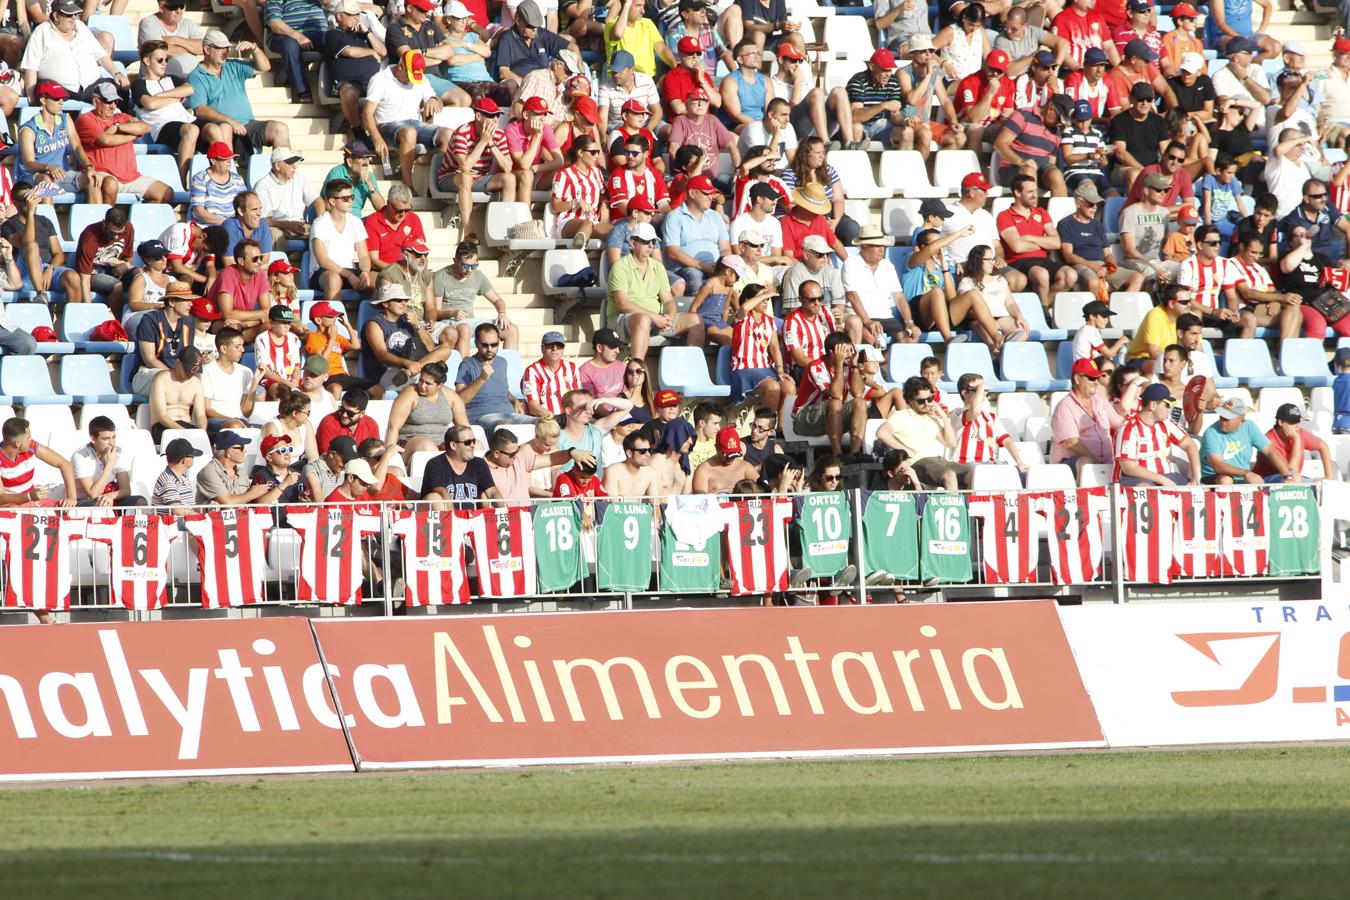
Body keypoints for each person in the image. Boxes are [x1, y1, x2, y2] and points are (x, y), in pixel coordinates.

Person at [187, 30, 289, 158]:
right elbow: (201, 109)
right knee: (225, 128)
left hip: (247, 124)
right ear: (207, 49)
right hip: (219, 126)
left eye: (226, 48)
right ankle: (231, 175)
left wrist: (255, 49)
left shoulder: (233, 65)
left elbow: (264, 67)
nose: (225, 52)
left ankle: (284, 172)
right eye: (220, 48)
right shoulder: (196, 76)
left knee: (280, 128)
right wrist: (231, 121)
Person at [75, 82, 175, 205]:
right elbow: (106, 140)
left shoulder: (121, 117)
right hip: (104, 174)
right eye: (108, 101)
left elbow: (146, 127)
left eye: (115, 101)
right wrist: (131, 135)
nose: (112, 106)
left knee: (166, 193)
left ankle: (133, 221)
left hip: (131, 177)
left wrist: (117, 127)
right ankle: (107, 222)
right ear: (96, 101)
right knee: (110, 183)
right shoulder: (85, 119)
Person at [438, 96, 516, 240]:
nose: (495, 120)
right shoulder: (462, 132)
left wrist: (491, 143)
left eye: (497, 116)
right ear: (479, 116)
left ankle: (504, 229)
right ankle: (468, 229)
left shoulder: (498, 135)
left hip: (478, 178)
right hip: (451, 176)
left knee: (510, 179)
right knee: (466, 177)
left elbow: (508, 168)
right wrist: (483, 141)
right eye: (491, 116)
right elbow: (465, 167)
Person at [998, 174, 1078, 312]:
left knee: (1070, 275)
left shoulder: (1041, 212)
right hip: (1018, 262)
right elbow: (1016, 247)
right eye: (1030, 192)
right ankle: (1044, 313)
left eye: (1035, 191)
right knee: (1041, 274)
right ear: (1017, 193)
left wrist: (1028, 237)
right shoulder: (1005, 215)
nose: (1035, 195)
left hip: (1042, 259)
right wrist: (1043, 242)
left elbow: (1057, 243)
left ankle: (1043, 308)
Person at [20, 0, 127, 101]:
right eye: (69, 15)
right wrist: (31, 96)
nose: (73, 18)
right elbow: (31, 67)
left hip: (90, 85)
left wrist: (116, 73)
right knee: (47, 91)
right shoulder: (41, 32)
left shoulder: (81, 27)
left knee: (121, 88)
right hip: (59, 88)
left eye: (75, 14)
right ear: (56, 16)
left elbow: (100, 55)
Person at [130, 41, 203, 185]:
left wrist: (160, 96)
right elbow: (150, 104)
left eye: (166, 60)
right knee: (192, 130)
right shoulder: (139, 84)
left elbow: (189, 89)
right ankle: (181, 181)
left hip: (186, 120)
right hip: (163, 127)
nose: (164, 63)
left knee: (219, 128)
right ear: (147, 61)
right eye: (160, 60)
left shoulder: (171, 79)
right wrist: (175, 97)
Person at [876, 376, 967, 490]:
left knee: (972, 474)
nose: (926, 403)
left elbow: (951, 443)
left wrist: (943, 417)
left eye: (929, 399)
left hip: (939, 461)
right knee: (949, 475)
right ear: (910, 400)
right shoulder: (902, 416)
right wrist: (906, 449)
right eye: (921, 401)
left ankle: (973, 506)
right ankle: (954, 507)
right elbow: (881, 433)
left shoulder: (930, 419)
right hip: (918, 462)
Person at [432, 240, 517, 356]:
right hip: (450, 322)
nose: (469, 270)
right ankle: (465, 370)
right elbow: (435, 313)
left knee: (511, 329)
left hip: (471, 321)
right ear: (455, 261)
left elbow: (498, 300)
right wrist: (452, 313)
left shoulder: (477, 275)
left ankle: (507, 371)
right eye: (465, 265)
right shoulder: (441, 276)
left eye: (474, 265)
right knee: (465, 329)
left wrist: (502, 313)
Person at [362, 281, 453, 388]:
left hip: (412, 372)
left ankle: (408, 373)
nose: (404, 303)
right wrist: (408, 364)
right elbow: (382, 355)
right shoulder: (374, 324)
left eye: (405, 300)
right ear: (385, 304)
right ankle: (410, 374)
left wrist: (417, 325)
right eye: (399, 300)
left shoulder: (408, 322)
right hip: (386, 374)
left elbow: (430, 348)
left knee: (445, 350)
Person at [843, 225, 921, 348]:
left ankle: (882, 363)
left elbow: (899, 297)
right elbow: (852, 296)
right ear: (863, 246)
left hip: (886, 317)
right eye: (877, 245)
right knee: (871, 340)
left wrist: (909, 322)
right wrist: (867, 321)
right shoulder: (851, 263)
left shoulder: (887, 265)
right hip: (861, 318)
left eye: (883, 245)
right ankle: (875, 364)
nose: (882, 249)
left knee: (911, 339)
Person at [1059, 180, 1143, 293]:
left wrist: (1109, 264)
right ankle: (1094, 310)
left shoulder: (1097, 225)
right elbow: (1068, 255)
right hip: (1080, 265)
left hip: (1101, 265)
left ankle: (1119, 307)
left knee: (1137, 277)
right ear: (1078, 203)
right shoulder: (1065, 224)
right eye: (1090, 204)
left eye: (1096, 204)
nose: (1094, 208)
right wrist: (1093, 266)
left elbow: (1107, 253)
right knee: (1093, 282)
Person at [20, 81, 99, 201]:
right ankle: (48, 219)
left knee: (92, 179)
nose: (62, 102)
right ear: (43, 100)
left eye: (62, 98)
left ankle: (98, 219)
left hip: (62, 174)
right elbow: (28, 164)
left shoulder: (65, 119)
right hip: (35, 176)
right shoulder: (29, 129)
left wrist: (88, 167)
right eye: (57, 99)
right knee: (46, 184)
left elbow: (77, 146)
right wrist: (48, 167)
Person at [792, 331, 866, 458]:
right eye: (845, 351)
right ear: (832, 353)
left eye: (850, 350)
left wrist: (854, 366)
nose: (850, 354)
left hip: (833, 415)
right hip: (805, 418)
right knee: (835, 403)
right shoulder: (815, 366)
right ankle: (837, 454)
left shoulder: (848, 366)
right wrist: (838, 364)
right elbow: (836, 395)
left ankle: (856, 453)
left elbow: (858, 393)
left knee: (860, 403)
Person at [2, 181, 79, 302]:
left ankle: (74, 319)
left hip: (47, 268)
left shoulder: (45, 221)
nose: (31, 201)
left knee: (72, 277)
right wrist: (31, 214)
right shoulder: (8, 225)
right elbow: (26, 242)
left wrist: (50, 269)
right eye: (26, 198)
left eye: (33, 196)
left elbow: (58, 254)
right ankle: (40, 294)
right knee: (32, 246)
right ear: (15, 203)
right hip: (24, 271)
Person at [1114, 382, 1201, 486]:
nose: (1169, 409)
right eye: (1167, 405)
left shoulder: (1166, 423)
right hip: (1135, 479)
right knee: (1147, 489)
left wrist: (1196, 477)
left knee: (1202, 490)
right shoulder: (1129, 427)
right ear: (1153, 405)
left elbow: (1190, 445)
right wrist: (1162, 480)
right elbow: (1128, 468)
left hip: (1166, 476)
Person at [456, 322, 536, 432]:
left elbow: (502, 389)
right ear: (476, 343)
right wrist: (482, 379)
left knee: (544, 424)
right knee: (504, 427)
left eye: (494, 345)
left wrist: (514, 400)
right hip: (482, 415)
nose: (489, 349)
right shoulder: (467, 365)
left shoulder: (502, 362)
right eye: (484, 345)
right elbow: (459, 400)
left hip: (509, 414)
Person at [1198, 396, 1296, 485]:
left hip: (1242, 477)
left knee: (1295, 477)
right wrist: (1246, 473)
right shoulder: (1211, 433)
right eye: (1221, 416)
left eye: (1227, 418)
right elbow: (1217, 465)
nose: (1222, 421)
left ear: (1241, 420)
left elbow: (1270, 451)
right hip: (1215, 477)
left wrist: (1288, 476)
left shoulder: (1249, 426)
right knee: (1226, 480)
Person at [385, 362, 470, 464]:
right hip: (412, 443)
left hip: (443, 444)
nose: (422, 385)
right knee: (427, 446)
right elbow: (393, 427)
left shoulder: (450, 396)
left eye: (428, 383)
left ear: (439, 385)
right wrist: (388, 459)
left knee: (474, 445)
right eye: (421, 380)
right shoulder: (410, 393)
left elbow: (464, 427)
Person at [728, 283, 793, 414]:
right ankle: (766, 426)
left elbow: (774, 347)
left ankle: (781, 429)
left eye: (767, 299)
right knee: (772, 387)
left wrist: (780, 370)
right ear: (748, 299)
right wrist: (767, 293)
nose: (766, 301)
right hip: (744, 368)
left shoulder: (769, 320)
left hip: (765, 368)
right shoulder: (743, 318)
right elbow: (744, 307)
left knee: (789, 387)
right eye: (762, 298)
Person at [324, 0, 386, 134]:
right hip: (349, 83)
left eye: (358, 15)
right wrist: (371, 52)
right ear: (339, 16)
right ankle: (357, 130)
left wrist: (367, 32)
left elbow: (383, 51)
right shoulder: (332, 34)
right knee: (349, 93)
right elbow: (350, 52)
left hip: (373, 82)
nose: (356, 18)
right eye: (352, 15)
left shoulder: (363, 34)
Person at [1050, 358, 1123, 470]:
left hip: (1105, 462)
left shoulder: (1099, 400)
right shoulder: (1064, 407)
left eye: (1097, 377)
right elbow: (1073, 443)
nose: (1095, 381)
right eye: (1091, 378)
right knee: (1085, 462)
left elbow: (1120, 423)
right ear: (1077, 379)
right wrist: (1099, 465)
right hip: (1071, 465)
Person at [310, 178, 375, 301]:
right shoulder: (319, 223)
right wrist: (349, 275)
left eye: (352, 197)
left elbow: (364, 256)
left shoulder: (355, 222)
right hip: (323, 272)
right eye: (345, 198)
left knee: (379, 280)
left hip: (349, 271)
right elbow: (323, 261)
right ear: (333, 201)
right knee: (333, 279)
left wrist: (365, 272)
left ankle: (376, 319)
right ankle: (330, 318)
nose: (350, 201)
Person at [133, 281, 197, 395]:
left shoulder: (189, 321)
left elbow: (187, 355)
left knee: (199, 379)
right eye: (186, 300)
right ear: (172, 302)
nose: (191, 304)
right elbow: (150, 360)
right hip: (149, 373)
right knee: (166, 380)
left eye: (191, 300)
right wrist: (174, 374)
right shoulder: (150, 320)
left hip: (178, 372)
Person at [1119, 172, 1180, 287]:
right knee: (1151, 272)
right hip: (1134, 262)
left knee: (1185, 268)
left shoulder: (1164, 213)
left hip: (1157, 261)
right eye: (1158, 190)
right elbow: (1130, 251)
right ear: (1146, 191)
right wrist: (1155, 268)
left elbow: (1166, 244)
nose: (1163, 193)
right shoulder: (1130, 212)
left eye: (1165, 190)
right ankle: (1149, 304)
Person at [255, 148, 324, 248]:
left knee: (324, 233)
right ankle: (279, 263)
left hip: (299, 224)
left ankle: (319, 263)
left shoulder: (299, 178)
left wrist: (320, 224)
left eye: (295, 163)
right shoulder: (262, 186)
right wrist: (288, 224)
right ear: (277, 166)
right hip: (277, 226)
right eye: (290, 163)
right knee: (274, 235)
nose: (294, 166)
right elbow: (264, 220)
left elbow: (319, 202)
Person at [206, 238, 273, 339]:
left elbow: (267, 311)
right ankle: (239, 342)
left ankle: (240, 340)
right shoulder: (227, 275)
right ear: (241, 261)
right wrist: (261, 315)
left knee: (272, 326)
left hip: (245, 322)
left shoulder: (260, 274)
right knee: (233, 329)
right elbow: (227, 314)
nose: (259, 262)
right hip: (218, 322)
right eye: (255, 259)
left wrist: (245, 324)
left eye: (261, 258)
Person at [71, 416, 145, 507]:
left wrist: (109, 496)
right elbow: (93, 494)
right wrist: (110, 464)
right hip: (86, 501)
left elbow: (126, 490)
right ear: (93, 439)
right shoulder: (81, 456)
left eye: (113, 437)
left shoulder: (117, 452)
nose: (111, 443)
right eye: (106, 439)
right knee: (100, 504)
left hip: (109, 497)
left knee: (140, 501)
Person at [201, 327, 262, 432]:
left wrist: (254, 384)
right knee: (235, 425)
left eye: (242, 346)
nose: (242, 350)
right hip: (216, 422)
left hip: (240, 421)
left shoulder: (246, 371)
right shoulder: (207, 370)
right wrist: (232, 420)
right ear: (223, 349)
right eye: (237, 347)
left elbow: (246, 412)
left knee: (268, 430)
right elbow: (207, 409)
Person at [1253, 403, 1334, 482]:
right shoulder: (1269, 440)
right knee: (1295, 478)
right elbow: (1291, 471)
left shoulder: (1299, 432)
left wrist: (1328, 477)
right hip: (1266, 481)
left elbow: (1323, 446)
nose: (1297, 425)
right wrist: (1296, 440)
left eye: (1298, 421)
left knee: (1321, 484)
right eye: (1293, 422)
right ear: (1280, 422)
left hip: (1292, 478)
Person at [421, 424, 500, 503]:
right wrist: (455, 515)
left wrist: (505, 510)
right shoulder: (435, 464)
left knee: (485, 496)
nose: (473, 445)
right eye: (468, 442)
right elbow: (442, 493)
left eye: (474, 441)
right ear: (453, 445)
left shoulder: (479, 463)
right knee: (434, 497)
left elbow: (492, 491)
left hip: (474, 514)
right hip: (445, 512)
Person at [1128, 283, 1194, 373]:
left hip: (1173, 361)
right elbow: (1154, 353)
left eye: (1190, 301)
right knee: (1157, 366)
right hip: (1141, 360)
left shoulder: (1191, 317)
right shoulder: (1155, 315)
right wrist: (1177, 363)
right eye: (1184, 302)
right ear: (1171, 303)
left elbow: (1198, 348)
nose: (1189, 305)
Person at [196, 429, 274, 504]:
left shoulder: (242, 472)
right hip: (213, 517)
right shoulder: (209, 472)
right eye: (241, 448)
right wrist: (253, 493)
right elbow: (227, 502)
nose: (245, 451)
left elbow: (247, 501)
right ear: (229, 452)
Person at [149, 346, 208, 443]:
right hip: (163, 428)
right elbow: (161, 416)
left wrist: (202, 431)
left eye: (194, 372)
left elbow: (201, 415)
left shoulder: (196, 383)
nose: (190, 375)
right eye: (187, 371)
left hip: (187, 426)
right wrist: (184, 433)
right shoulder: (162, 379)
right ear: (178, 363)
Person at [138, 0, 208, 79]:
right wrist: (191, 48)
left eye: (181, 6)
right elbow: (160, 52)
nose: (179, 11)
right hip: (163, 81)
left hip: (192, 79)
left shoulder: (188, 24)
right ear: (161, 7)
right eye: (174, 7)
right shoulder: (149, 23)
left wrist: (175, 40)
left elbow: (204, 48)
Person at [191, 141, 247, 226]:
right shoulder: (200, 179)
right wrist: (226, 223)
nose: (229, 161)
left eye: (230, 158)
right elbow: (198, 211)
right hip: (210, 227)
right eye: (225, 159)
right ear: (213, 160)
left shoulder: (237, 179)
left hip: (235, 225)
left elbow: (245, 203)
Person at [691, 426, 760, 494]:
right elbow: (701, 500)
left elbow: (762, 491)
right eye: (727, 456)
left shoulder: (745, 467)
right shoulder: (704, 470)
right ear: (716, 448)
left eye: (734, 455)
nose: (731, 459)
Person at [262, 385, 319, 462]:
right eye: (307, 412)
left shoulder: (306, 424)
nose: (309, 416)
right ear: (295, 413)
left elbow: (313, 457)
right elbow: (274, 460)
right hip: (270, 471)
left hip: (295, 470)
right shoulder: (272, 427)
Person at [316, 388, 379, 453]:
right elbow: (329, 458)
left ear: (362, 414)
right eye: (342, 409)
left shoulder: (371, 424)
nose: (344, 415)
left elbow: (375, 453)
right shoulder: (329, 423)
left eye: (350, 413)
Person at [250, 434, 305, 503]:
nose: (287, 453)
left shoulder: (299, 475)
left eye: (289, 449)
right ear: (269, 457)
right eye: (283, 450)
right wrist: (285, 484)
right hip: (274, 514)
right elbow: (259, 504)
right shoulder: (261, 476)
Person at [152, 437, 203, 511]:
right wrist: (201, 517)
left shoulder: (182, 478)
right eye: (192, 456)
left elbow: (189, 508)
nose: (193, 458)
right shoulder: (168, 481)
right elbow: (177, 510)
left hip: (185, 521)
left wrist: (207, 509)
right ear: (184, 460)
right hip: (176, 522)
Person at [304, 433, 357, 500]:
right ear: (332, 454)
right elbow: (319, 504)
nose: (346, 465)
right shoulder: (312, 470)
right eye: (345, 461)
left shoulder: (343, 471)